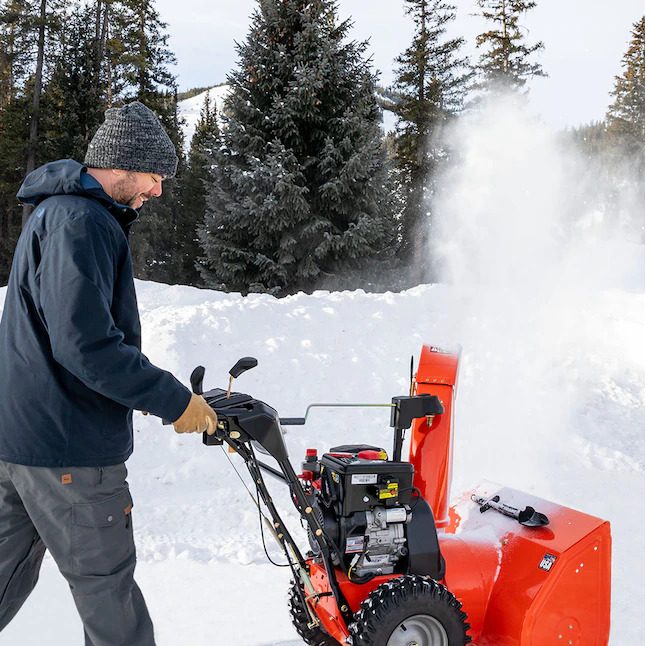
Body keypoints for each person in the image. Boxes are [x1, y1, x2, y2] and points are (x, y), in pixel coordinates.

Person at [0, 101, 217, 645]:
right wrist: (174, 400)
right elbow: (86, 346)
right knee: (108, 592)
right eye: (154, 176)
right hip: (71, 449)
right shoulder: (83, 221)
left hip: (23, 440)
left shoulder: (57, 212)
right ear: (123, 165)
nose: (158, 191)